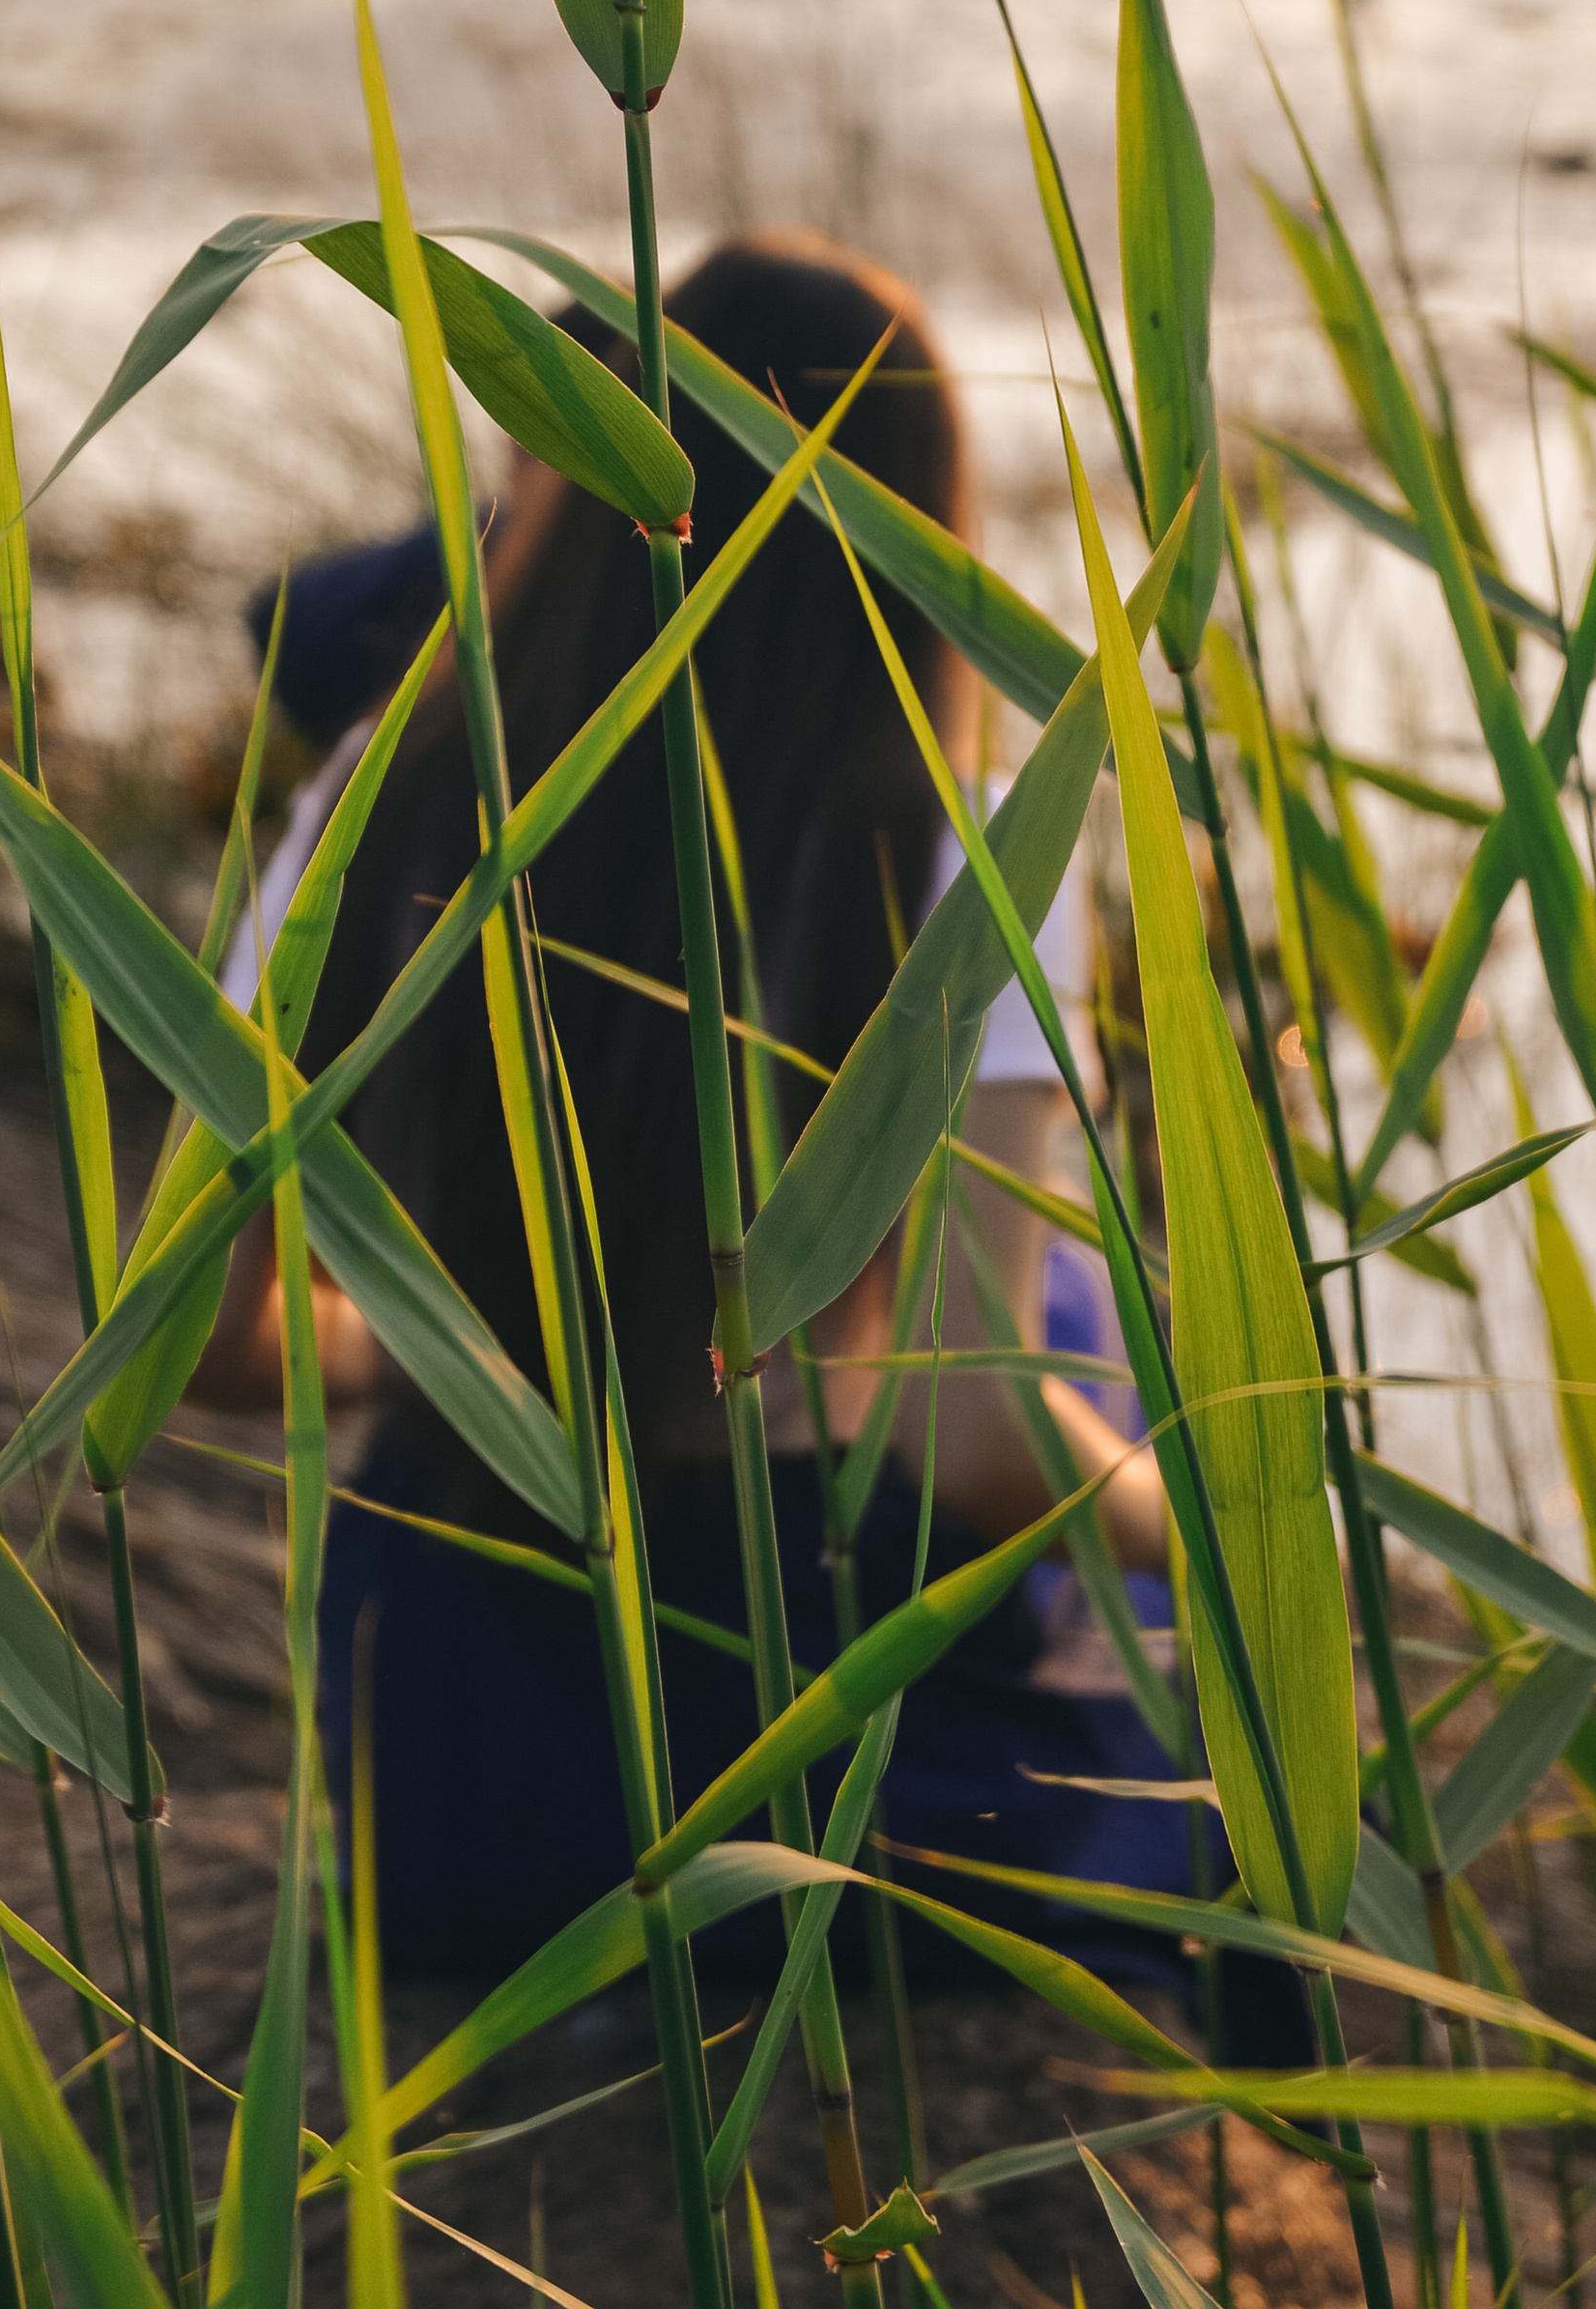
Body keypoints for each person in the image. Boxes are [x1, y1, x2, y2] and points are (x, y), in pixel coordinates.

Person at [187, 235, 1265, 2020]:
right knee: (1094, 1347)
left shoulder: (384, 796)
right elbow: (971, 1427)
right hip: (820, 1752)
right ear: (915, 533)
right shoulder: (967, 851)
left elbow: (210, 1342)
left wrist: (470, 1350)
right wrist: (1222, 1531)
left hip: (452, 1753)